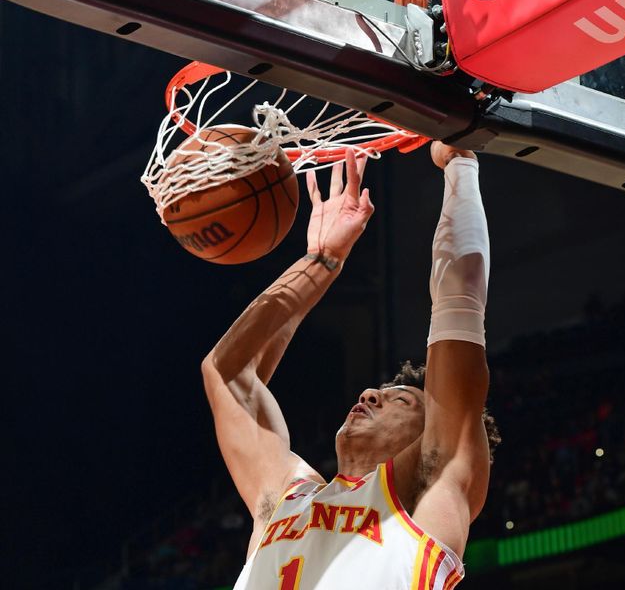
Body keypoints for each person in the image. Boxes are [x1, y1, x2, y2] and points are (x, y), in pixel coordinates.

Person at [202, 141, 500, 589]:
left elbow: (460, 295)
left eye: (400, 399)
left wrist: (460, 164)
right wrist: (319, 263)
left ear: (430, 435)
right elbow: (226, 374)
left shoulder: (427, 497)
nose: (369, 394)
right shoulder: (286, 500)